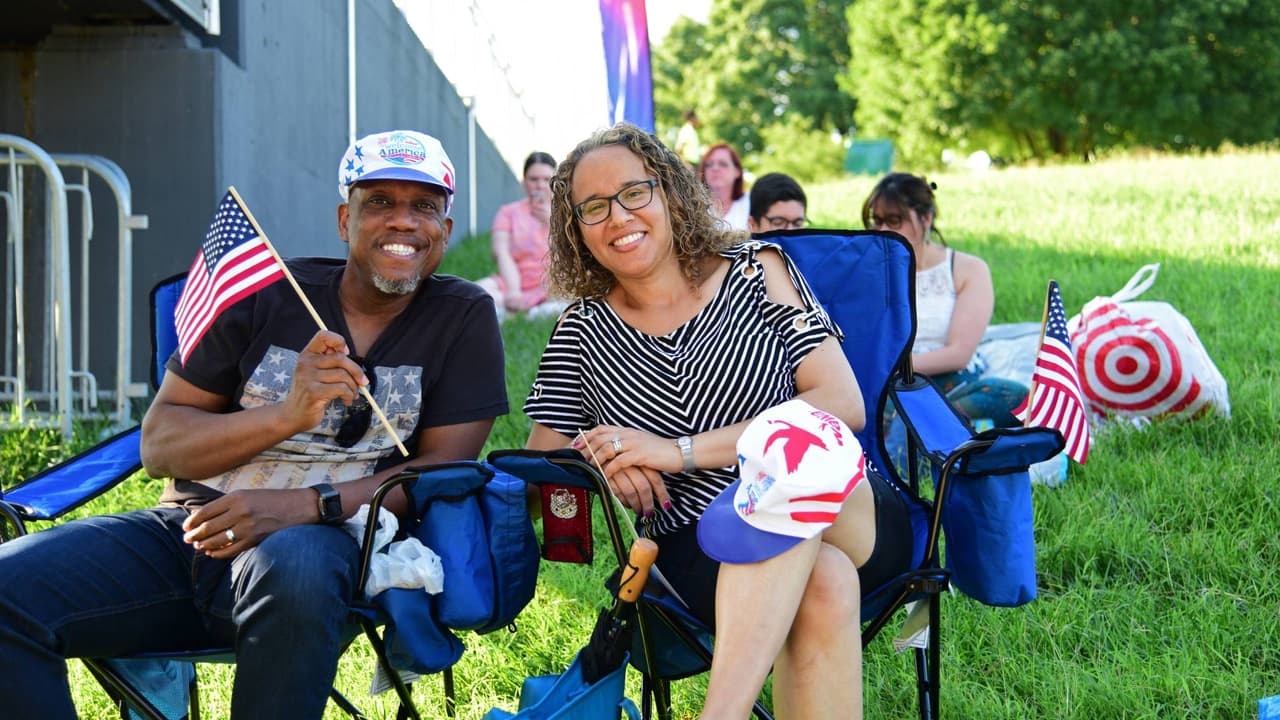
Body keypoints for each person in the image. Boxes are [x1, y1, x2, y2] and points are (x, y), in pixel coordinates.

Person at [0, 129, 509, 719]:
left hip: (324, 547)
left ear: (445, 228)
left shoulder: (461, 315)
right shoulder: (264, 294)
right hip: (188, 532)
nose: (403, 222)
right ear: (345, 220)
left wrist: (301, 507)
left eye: (424, 206)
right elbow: (162, 445)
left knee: (297, 563)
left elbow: (444, 467)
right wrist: (288, 413)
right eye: (379, 203)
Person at [523, 122, 913, 720]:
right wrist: (601, 462)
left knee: (787, 480)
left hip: (844, 507)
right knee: (822, 583)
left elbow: (842, 403)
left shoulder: (757, 270)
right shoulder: (580, 330)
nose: (618, 217)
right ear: (576, 230)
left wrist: (674, 451)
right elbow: (539, 471)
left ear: (669, 193)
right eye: (593, 207)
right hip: (700, 547)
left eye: (633, 192)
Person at [862, 173, 1026, 465]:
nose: (883, 229)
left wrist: (895, 372)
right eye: (877, 220)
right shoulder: (868, 271)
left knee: (1016, 397)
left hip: (950, 379)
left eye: (894, 220)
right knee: (882, 417)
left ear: (926, 218)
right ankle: (937, 440)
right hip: (885, 383)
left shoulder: (966, 269)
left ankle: (935, 436)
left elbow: (958, 354)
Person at [476, 151, 562, 317]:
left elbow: (575, 254)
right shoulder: (508, 212)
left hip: (555, 284)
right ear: (524, 183)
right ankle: (530, 308)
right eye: (534, 179)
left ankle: (517, 310)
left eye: (546, 179)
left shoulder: (566, 214)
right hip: (513, 282)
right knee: (473, 293)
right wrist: (514, 292)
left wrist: (551, 221)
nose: (540, 185)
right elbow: (501, 253)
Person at [697, 142, 750, 230]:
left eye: (723, 164)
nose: (715, 168)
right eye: (709, 165)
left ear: (737, 172)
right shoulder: (693, 206)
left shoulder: (750, 202)